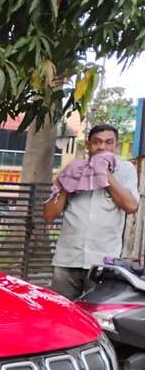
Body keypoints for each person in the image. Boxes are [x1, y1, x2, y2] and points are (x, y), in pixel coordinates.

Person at [44, 123, 139, 299]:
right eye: (96, 142)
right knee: (62, 311)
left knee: (95, 313)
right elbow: (49, 215)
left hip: (103, 262)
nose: (102, 147)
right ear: (88, 145)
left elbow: (131, 206)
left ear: (116, 146)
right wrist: (66, 186)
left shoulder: (125, 170)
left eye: (108, 142)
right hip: (67, 259)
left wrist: (105, 174)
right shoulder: (74, 170)